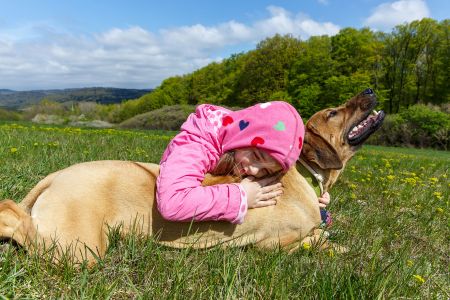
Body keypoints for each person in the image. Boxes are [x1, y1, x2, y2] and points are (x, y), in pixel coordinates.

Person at [156, 101, 330, 224]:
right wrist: (241, 197)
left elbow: (269, 188)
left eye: (266, 172)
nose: (254, 171)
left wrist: (309, 199)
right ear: (244, 136)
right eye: (257, 156)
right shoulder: (197, 145)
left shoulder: (237, 151)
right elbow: (172, 202)